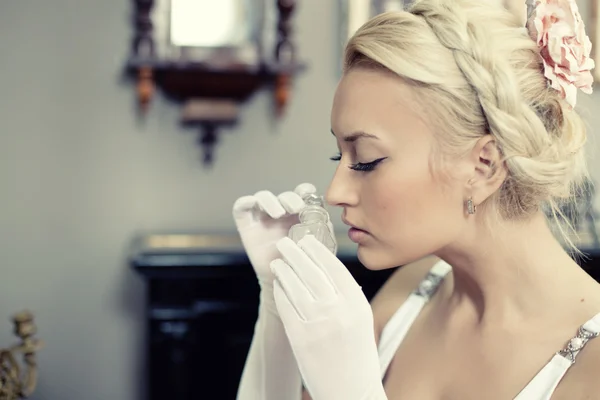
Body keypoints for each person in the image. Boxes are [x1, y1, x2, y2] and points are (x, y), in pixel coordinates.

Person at [234, 0, 599, 398]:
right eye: (340, 155)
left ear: (485, 166)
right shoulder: (411, 292)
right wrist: (276, 308)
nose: (334, 193)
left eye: (367, 160)